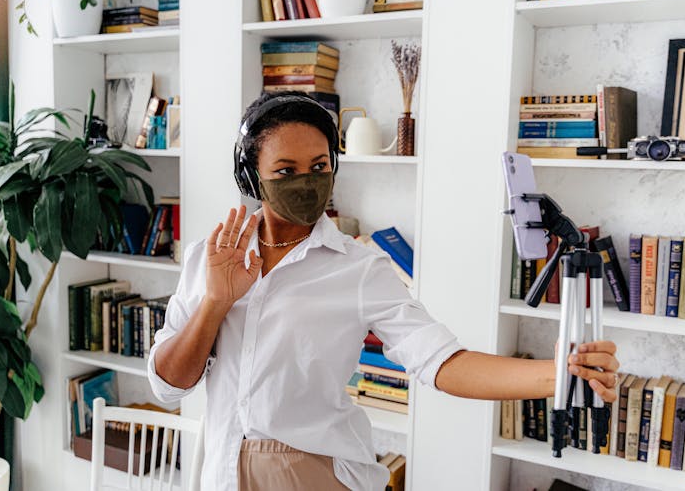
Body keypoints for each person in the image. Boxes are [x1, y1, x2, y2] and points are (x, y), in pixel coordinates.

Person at [147, 92, 619, 491]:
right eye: (286, 171)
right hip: (222, 471)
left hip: (315, 472)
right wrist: (215, 301)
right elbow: (168, 386)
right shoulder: (207, 260)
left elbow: (441, 362)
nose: (307, 181)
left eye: (319, 165)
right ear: (251, 176)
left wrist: (558, 374)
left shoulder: (358, 267)